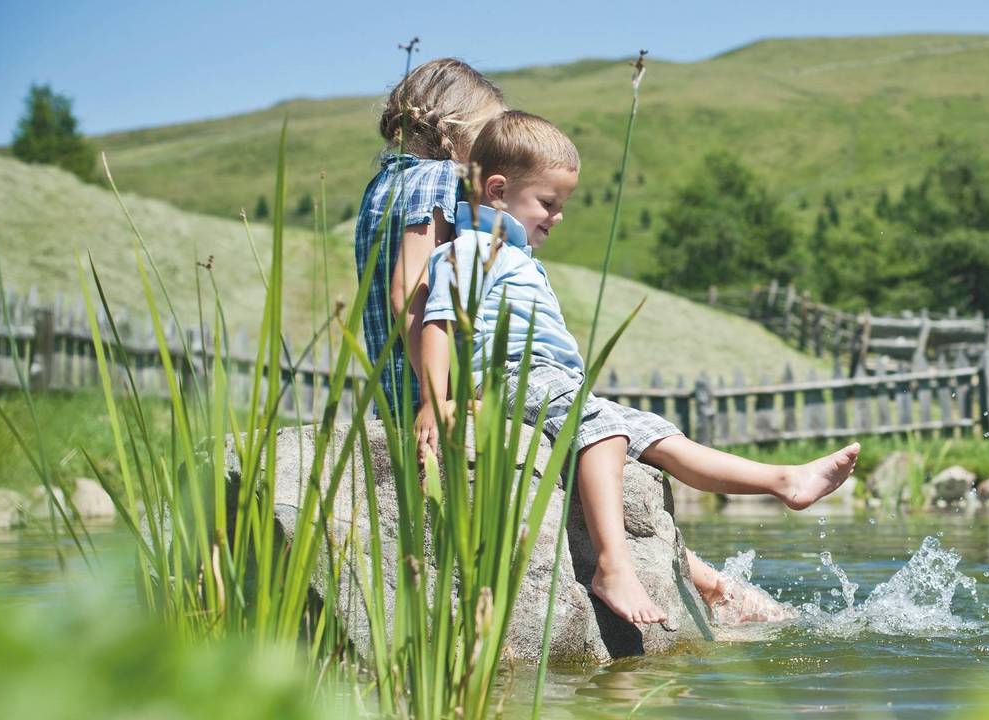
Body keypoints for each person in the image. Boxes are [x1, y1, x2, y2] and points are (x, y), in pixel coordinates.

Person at [417, 111, 859, 625]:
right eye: (549, 203)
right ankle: (612, 566)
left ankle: (783, 481)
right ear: (496, 189)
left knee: (658, 434)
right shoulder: (470, 250)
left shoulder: (513, 253)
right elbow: (439, 321)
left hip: (557, 383)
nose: (558, 217)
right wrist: (433, 400)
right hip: (514, 374)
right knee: (604, 432)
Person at [354, 58, 505, 419]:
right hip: (428, 395)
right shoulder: (441, 176)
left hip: (393, 395)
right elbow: (409, 289)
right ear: (459, 128)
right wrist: (441, 396)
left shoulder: (382, 184)